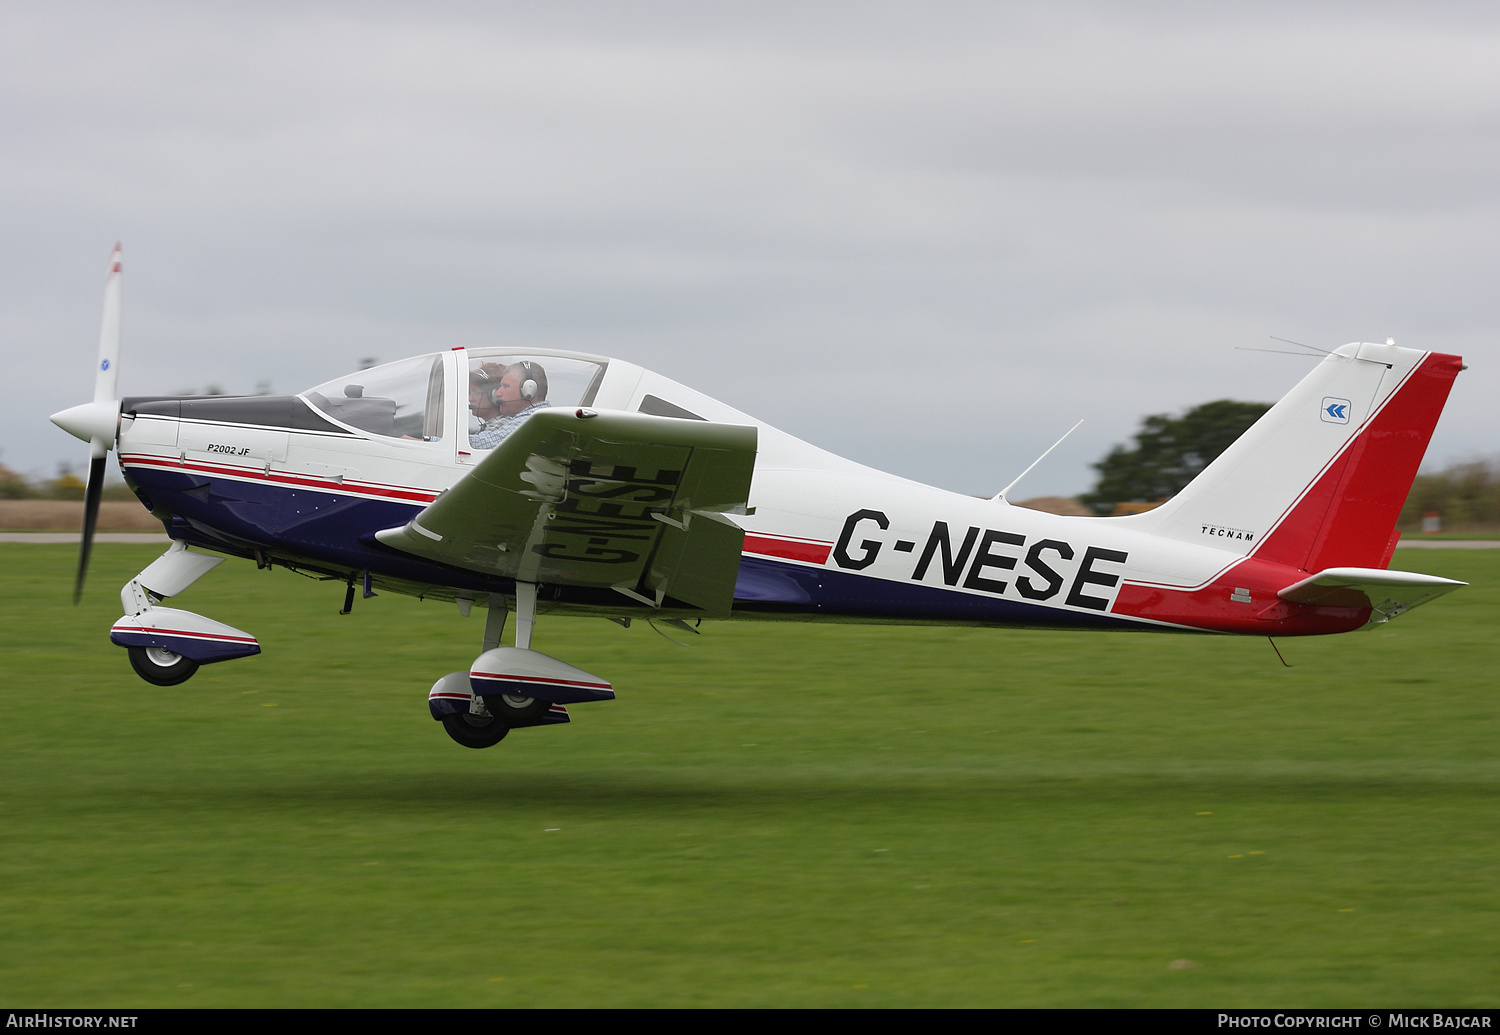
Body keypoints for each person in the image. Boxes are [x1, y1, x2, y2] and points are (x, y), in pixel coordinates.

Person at [469, 360, 550, 448]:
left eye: (505, 386)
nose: (497, 393)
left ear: (528, 389)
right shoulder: (536, 418)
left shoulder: (534, 420)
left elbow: (489, 443)